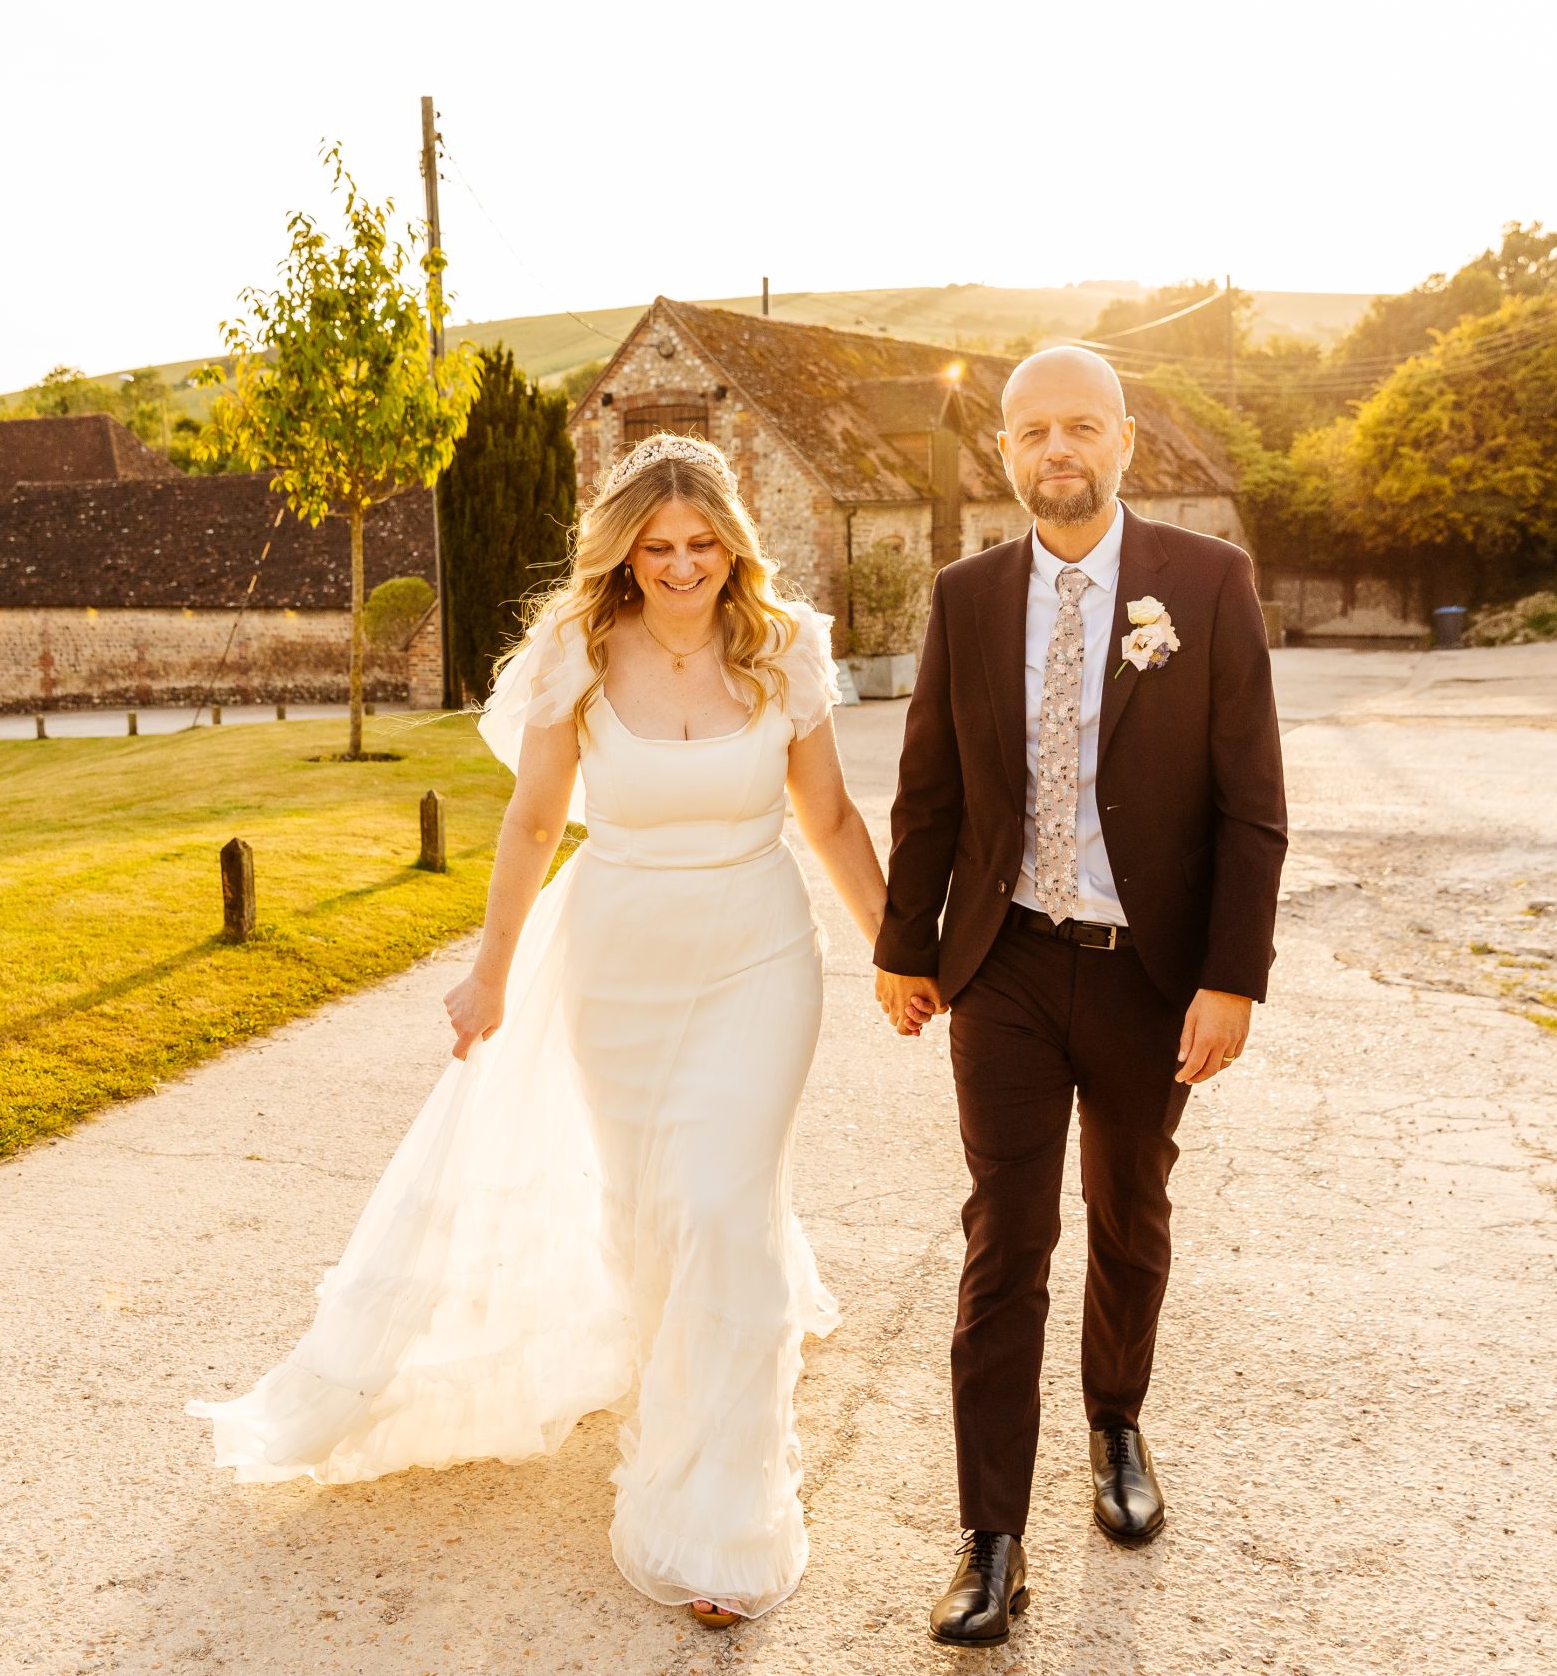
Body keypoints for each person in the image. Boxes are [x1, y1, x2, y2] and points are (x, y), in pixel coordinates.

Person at [192, 432, 893, 1627]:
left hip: (760, 953)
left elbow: (824, 810)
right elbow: (530, 824)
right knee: (648, 1214)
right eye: (658, 547)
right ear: (623, 552)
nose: (682, 568)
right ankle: (672, 1377)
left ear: (735, 539)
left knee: (723, 1203)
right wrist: (492, 972)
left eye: (702, 543)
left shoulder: (787, 651)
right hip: (618, 959)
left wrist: (896, 946)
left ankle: (716, 1512)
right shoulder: (577, 651)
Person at [874, 347, 1288, 1649]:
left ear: (1123, 442)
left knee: (1130, 1205)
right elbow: (930, 785)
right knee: (1007, 1237)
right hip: (1003, 964)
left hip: (1148, 973)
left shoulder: (1204, 584)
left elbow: (1253, 804)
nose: (1058, 448)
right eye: (1033, 429)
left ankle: (1117, 1423)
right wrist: (904, 940)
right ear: (1006, 450)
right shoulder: (968, 595)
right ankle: (990, 1535)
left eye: (1082, 426)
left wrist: (1231, 976)